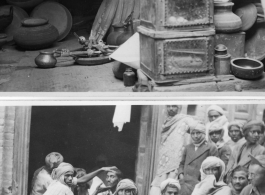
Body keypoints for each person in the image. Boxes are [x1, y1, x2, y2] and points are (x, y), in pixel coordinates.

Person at [150, 105, 197, 195]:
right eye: (169, 106)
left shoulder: (184, 119)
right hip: (165, 156)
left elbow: (195, 126)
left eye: (174, 106)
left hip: (177, 154)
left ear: (179, 108)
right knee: (161, 178)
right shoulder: (167, 121)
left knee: (173, 178)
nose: (171, 108)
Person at [178, 122, 219, 195]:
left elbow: (215, 168)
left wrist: (204, 181)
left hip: (200, 184)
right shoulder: (188, 147)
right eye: (193, 133)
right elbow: (181, 164)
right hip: (184, 184)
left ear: (204, 133)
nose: (195, 136)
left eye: (198, 133)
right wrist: (181, 175)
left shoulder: (211, 147)